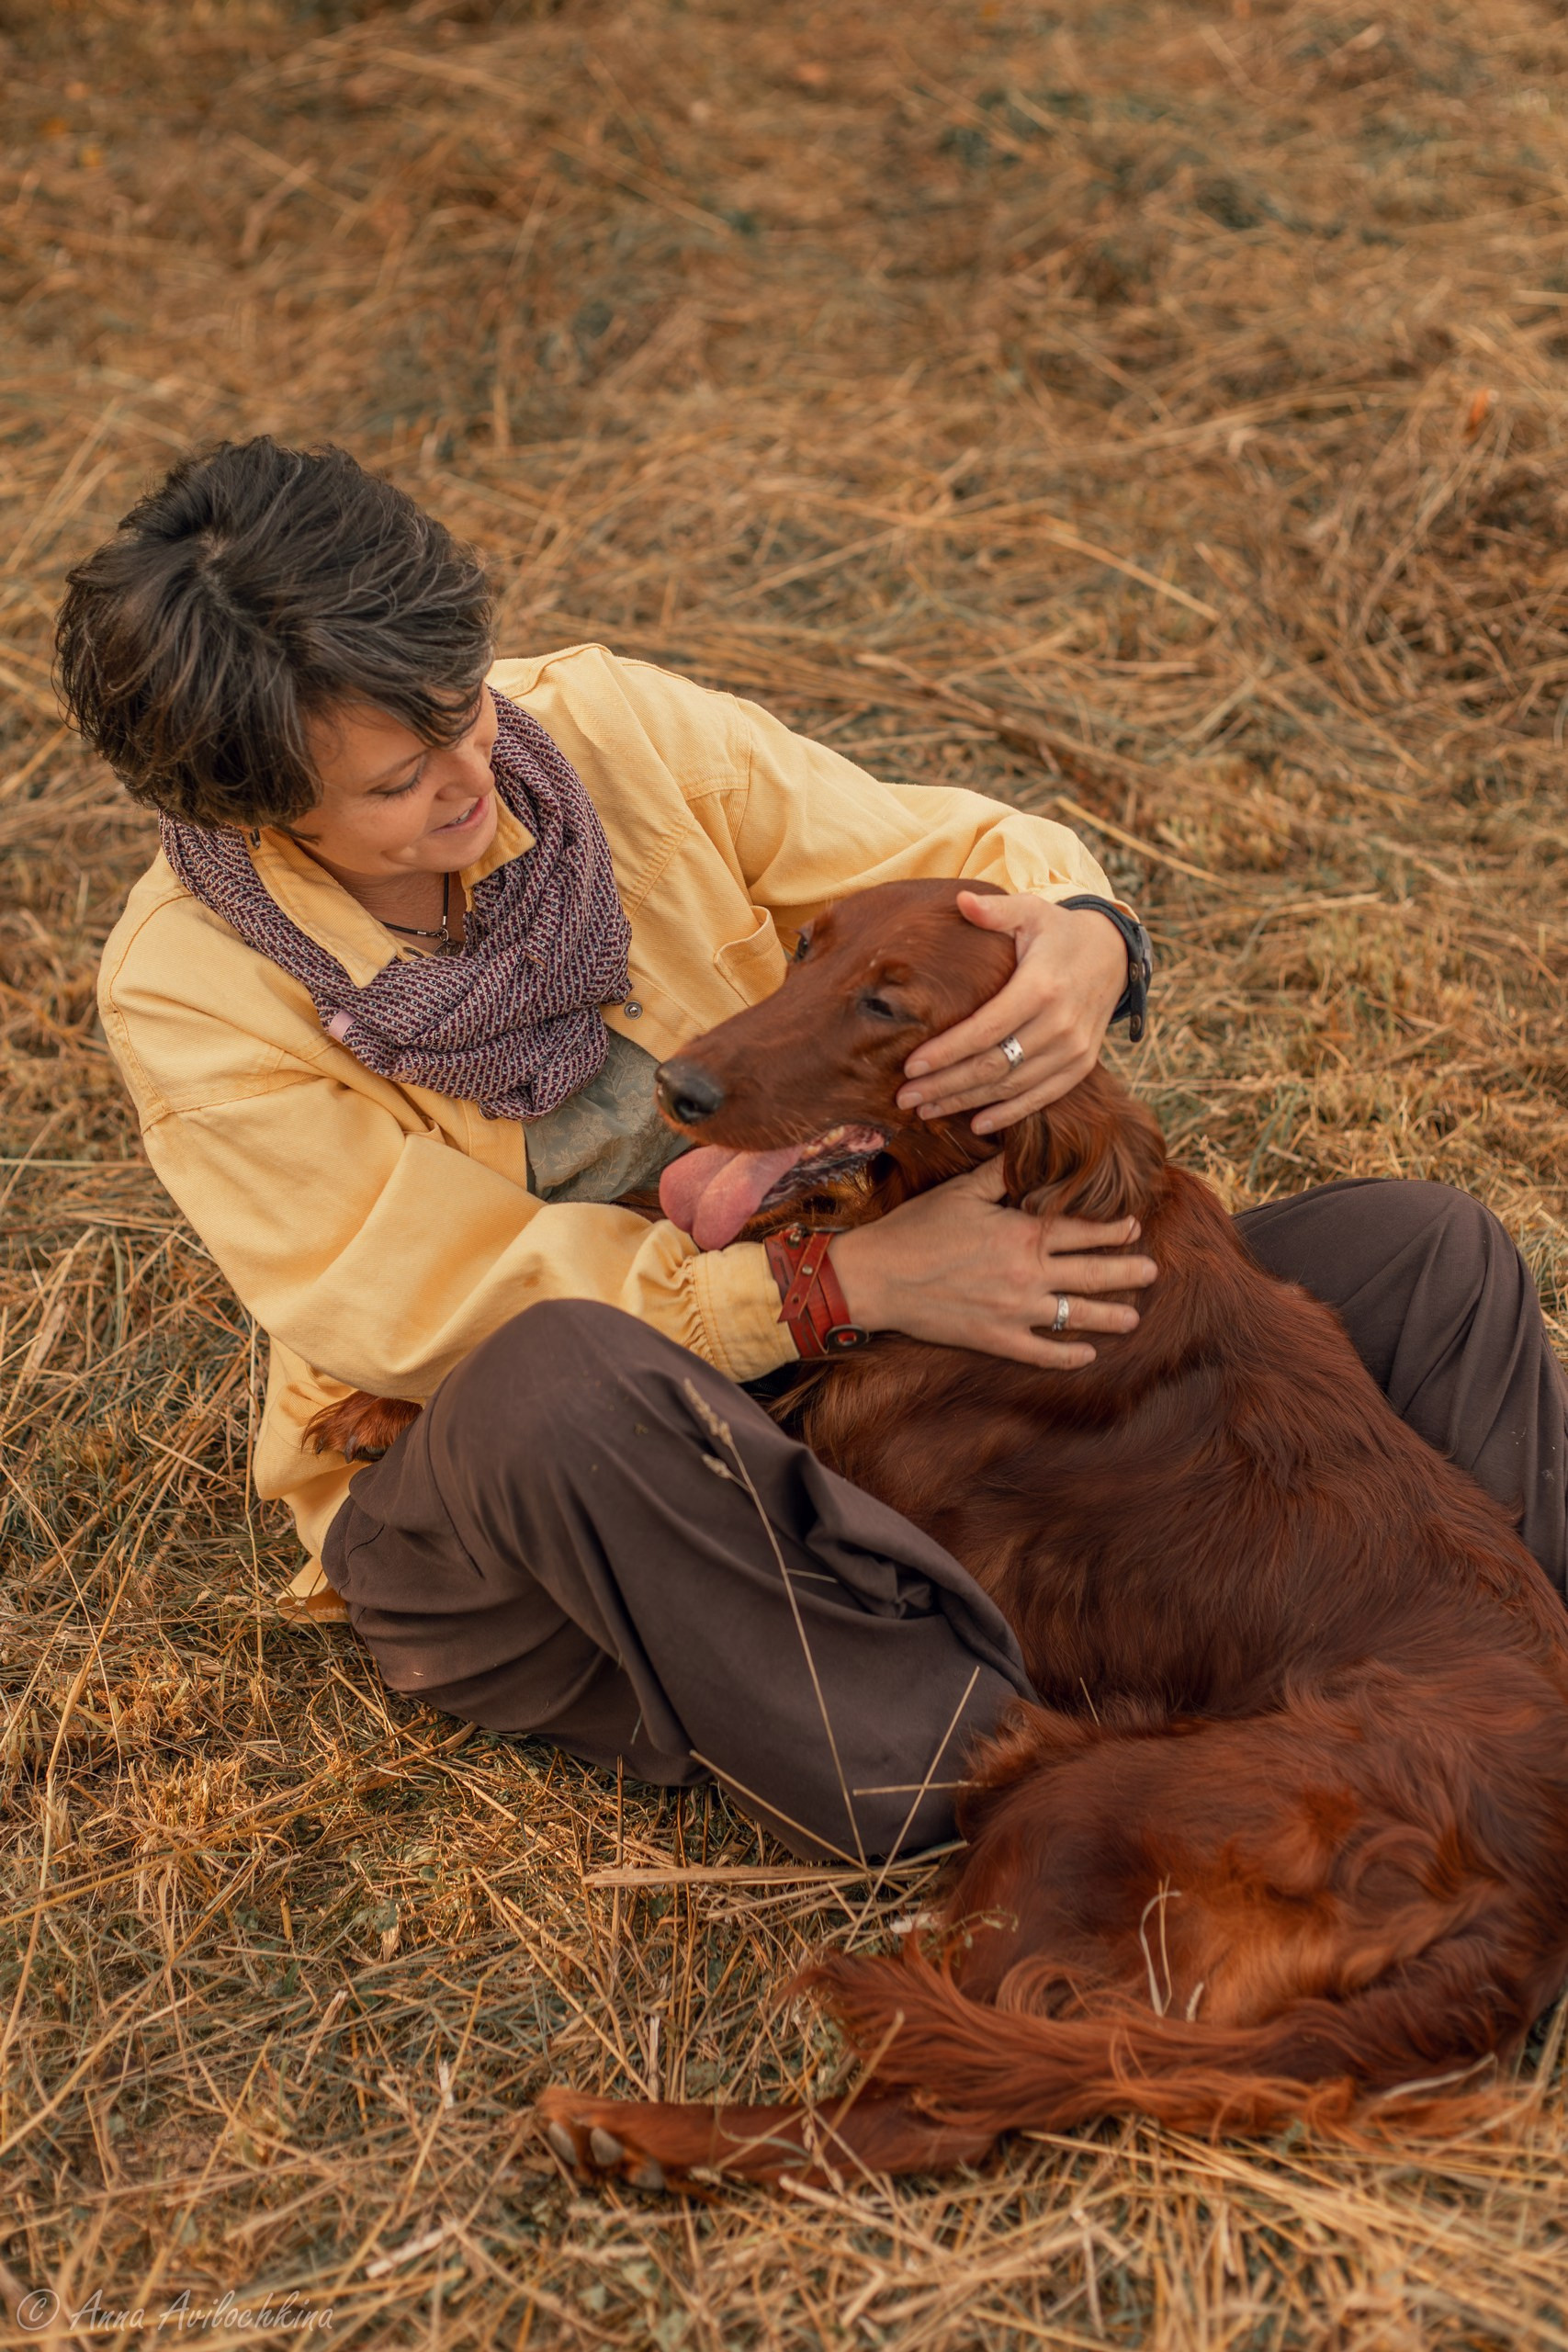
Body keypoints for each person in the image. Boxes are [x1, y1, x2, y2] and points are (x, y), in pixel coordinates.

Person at [61, 437, 1568, 1864]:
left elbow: (962, 865)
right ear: (247, 809)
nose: (470, 771)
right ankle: (999, 1788)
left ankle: (1518, 1729)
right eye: (397, 785)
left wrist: (1083, 943)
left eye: (459, 704)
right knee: (562, 1382)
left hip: (846, 1381)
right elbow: (412, 1307)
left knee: (1422, 1252)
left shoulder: (591, 730)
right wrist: (839, 1289)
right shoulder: (192, 986)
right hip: (553, 1492)